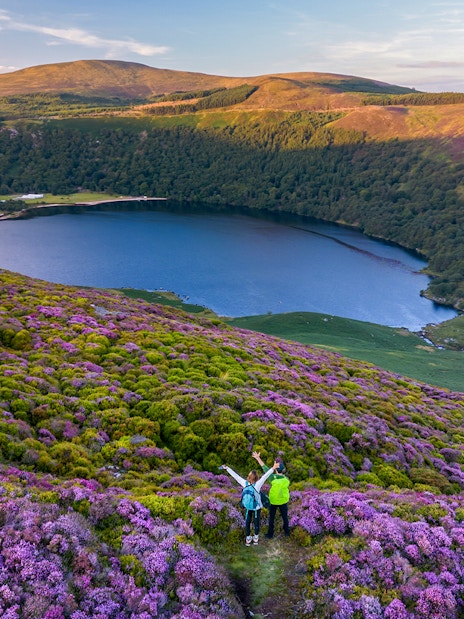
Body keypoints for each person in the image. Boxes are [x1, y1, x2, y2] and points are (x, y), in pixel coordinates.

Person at [220, 460, 280, 546]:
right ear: (256, 478)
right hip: (256, 507)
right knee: (256, 522)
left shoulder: (245, 483)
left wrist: (227, 468)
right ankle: (255, 538)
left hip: (247, 506)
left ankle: (248, 538)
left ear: (249, 477)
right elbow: (265, 476)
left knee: (247, 522)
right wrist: (273, 468)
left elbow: (235, 476)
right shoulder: (258, 484)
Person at [252, 451, 290, 539]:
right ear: (283, 470)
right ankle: (287, 532)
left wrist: (258, 458)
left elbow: (264, 468)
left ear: (276, 470)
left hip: (273, 501)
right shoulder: (286, 479)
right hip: (283, 501)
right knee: (285, 517)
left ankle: (270, 534)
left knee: (271, 518)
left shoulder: (272, 478)